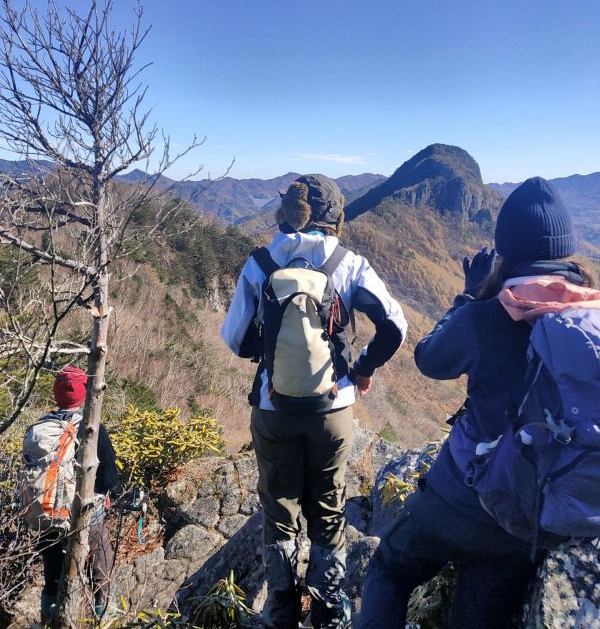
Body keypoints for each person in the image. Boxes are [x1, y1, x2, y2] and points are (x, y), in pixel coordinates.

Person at [358, 176, 600, 629]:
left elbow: (430, 360)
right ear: (566, 249)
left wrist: (467, 296)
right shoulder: (591, 315)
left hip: (459, 501)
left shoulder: (486, 314)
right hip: (533, 520)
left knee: (389, 570)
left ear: (505, 247)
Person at [222, 174, 407, 629]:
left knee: (279, 509)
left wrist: (271, 354)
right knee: (328, 507)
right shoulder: (348, 263)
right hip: (333, 409)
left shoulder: (261, 262)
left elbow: (236, 340)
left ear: (287, 213)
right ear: (335, 217)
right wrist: (361, 369)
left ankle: (280, 610)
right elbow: (395, 327)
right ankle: (328, 610)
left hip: (273, 408)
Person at [30, 366, 124, 623]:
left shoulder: (40, 428)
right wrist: (115, 495)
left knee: (52, 578)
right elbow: (108, 478)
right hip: (85, 515)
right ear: (85, 393)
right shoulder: (91, 428)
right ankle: (104, 616)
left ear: (56, 394)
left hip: (47, 513)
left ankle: (49, 619)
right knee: (101, 567)